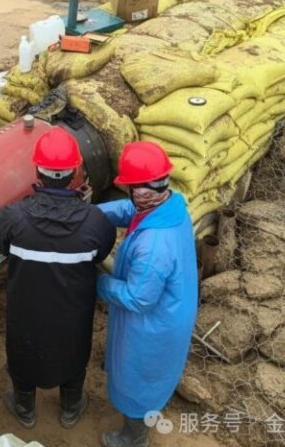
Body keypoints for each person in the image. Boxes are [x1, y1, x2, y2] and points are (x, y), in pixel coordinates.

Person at [0, 127, 116, 430]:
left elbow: (1, 242)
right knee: (74, 359)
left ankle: (25, 409)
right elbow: (101, 253)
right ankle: (71, 409)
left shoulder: (13, 218)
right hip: (72, 315)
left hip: (27, 314)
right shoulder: (95, 223)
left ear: (37, 170)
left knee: (22, 357)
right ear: (75, 171)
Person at [97, 141, 198, 447]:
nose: (130, 193)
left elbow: (138, 298)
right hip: (170, 308)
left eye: (130, 187)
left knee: (137, 380)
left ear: (141, 191)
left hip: (154, 324)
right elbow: (128, 210)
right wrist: (89, 214)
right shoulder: (167, 205)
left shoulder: (154, 245)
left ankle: (133, 436)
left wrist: (97, 283)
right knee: (137, 368)